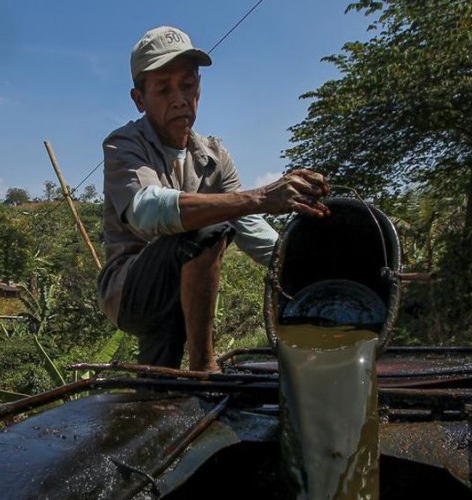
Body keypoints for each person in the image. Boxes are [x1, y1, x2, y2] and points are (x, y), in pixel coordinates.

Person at [98, 25, 330, 371]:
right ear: (139, 99)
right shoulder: (124, 145)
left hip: (184, 290)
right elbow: (147, 211)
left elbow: (253, 230)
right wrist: (262, 196)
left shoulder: (214, 155)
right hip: (131, 291)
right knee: (203, 228)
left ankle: (164, 401)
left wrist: (312, 269)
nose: (179, 99)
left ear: (199, 88)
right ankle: (204, 367)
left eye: (188, 85)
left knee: (157, 390)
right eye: (163, 89)